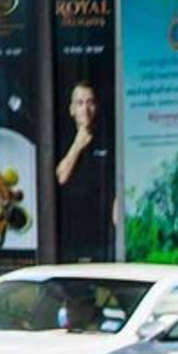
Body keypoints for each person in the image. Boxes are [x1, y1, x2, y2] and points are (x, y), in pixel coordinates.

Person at [56, 81, 115, 262]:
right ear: (72, 109)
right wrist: (77, 145)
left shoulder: (107, 140)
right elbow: (61, 177)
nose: (85, 108)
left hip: (101, 233)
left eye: (90, 102)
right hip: (70, 232)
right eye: (80, 103)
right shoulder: (61, 140)